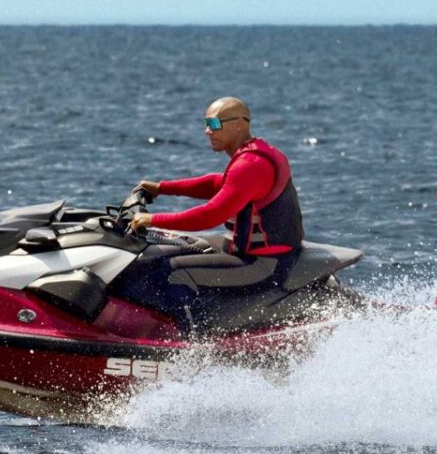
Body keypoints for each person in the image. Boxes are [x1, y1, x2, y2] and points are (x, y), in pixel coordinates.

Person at [128, 97, 305, 303]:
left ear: (239, 124)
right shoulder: (252, 155)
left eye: (214, 124)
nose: (208, 131)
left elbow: (209, 216)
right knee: (164, 250)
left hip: (265, 263)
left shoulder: (251, 164)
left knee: (169, 272)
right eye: (206, 124)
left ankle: (189, 334)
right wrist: (161, 188)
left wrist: (152, 220)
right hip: (245, 250)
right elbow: (218, 184)